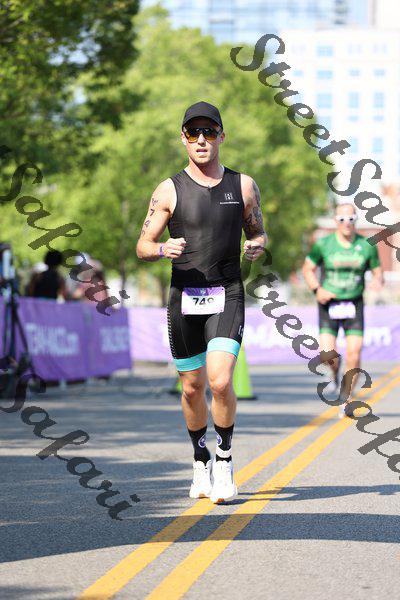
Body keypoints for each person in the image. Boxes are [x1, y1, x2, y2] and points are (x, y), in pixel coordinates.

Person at [136, 101, 267, 502]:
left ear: (221, 136)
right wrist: (162, 249)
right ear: (183, 138)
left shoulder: (243, 186)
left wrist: (256, 245)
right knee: (192, 387)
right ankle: (200, 459)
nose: (201, 140)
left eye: (209, 132)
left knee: (220, 381)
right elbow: (143, 245)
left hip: (227, 292)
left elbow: (258, 232)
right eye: (193, 132)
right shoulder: (168, 190)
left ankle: (224, 459)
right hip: (185, 297)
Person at [302, 203, 384, 417]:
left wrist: (377, 280)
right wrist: (317, 289)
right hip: (329, 303)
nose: (346, 223)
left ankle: (345, 398)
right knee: (329, 355)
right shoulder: (324, 244)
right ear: (335, 221)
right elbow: (308, 269)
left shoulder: (366, 245)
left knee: (354, 354)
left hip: (353, 303)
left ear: (356, 219)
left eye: (351, 219)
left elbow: (378, 271)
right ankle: (334, 373)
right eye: (341, 219)